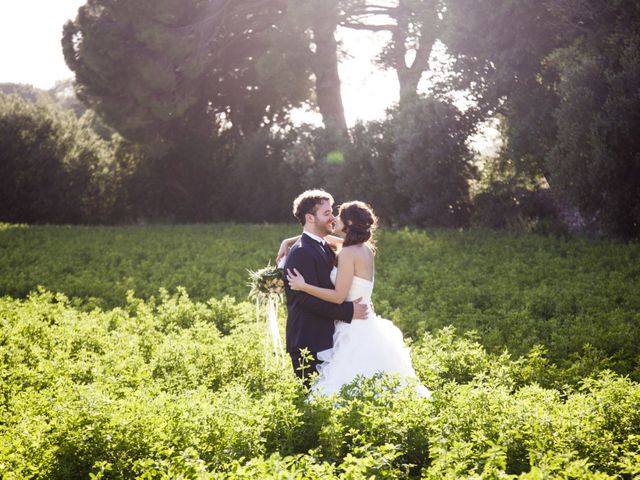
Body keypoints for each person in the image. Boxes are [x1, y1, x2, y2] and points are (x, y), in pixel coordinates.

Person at [277, 200, 430, 397]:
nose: (333, 219)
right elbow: (318, 238)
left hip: (352, 324)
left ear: (348, 223)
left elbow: (338, 296)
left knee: (346, 382)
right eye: (329, 214)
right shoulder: (362, 248)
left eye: (337, 216)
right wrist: (288, 241)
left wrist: (304, 286)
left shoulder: (348, 252)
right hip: (364, 322)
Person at [281, 189, 369, 385]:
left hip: (325, 338)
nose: (332, 219)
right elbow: (306, 300)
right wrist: (348, 311)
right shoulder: (301, 252)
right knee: (313, 403)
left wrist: (286, 240)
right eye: (327, 213)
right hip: (308, 341)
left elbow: (355, 240)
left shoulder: (323, 245)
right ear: (310, 218)